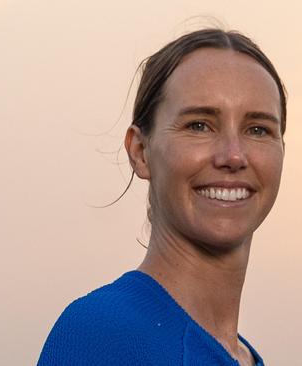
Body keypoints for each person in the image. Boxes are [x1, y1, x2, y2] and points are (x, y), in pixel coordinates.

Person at [37, 27, 287, 366]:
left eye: (258, 129)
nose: (233, 156)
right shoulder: (105, 336)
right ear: (140, 151)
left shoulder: (240, 357)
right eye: (199, 125)